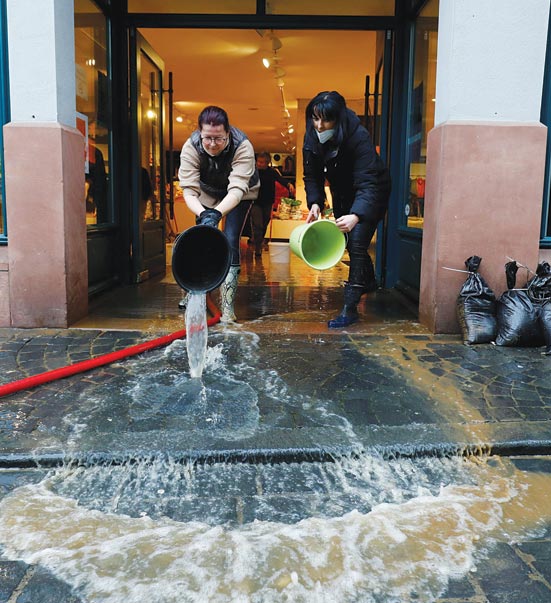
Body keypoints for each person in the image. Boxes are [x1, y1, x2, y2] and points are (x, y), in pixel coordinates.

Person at [303, 90, 391, 328]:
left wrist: (357, 214)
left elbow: (368, 181)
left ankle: (349, 308)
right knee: (349, 237)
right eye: (315, 118)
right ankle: (369, 281)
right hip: (342, 190)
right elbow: (311, 175)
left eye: (326, 120)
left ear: (338, 119)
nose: (319, 126)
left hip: (371, 188)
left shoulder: (358, 136)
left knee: (357, 241)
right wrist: (315, 203)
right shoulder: (311, 135)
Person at [178, 105, 259, 321]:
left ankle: (228, 307)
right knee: (201, 237)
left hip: (240, 192)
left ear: (228, 134)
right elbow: (189, 190)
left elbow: (236, 189)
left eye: (219, 139)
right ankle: (195, 291)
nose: (212, 144)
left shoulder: (243, 146)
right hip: (205, 192)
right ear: (199, 133)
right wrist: (206, 214)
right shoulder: (191, 146)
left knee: (231, 238)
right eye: (207, 138)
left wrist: (218, 213)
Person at [250, 151, 295, 257]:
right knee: (258, 225)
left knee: (264, 224)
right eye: (258, 162)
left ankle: (259, 242)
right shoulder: (253, 172)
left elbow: (281, 179)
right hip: (255, 202)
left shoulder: (272, 172)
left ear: (267, 163)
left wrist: (289, 184)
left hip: (268, 202)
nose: (259, 164)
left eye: (262, 162)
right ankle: (257, 247)